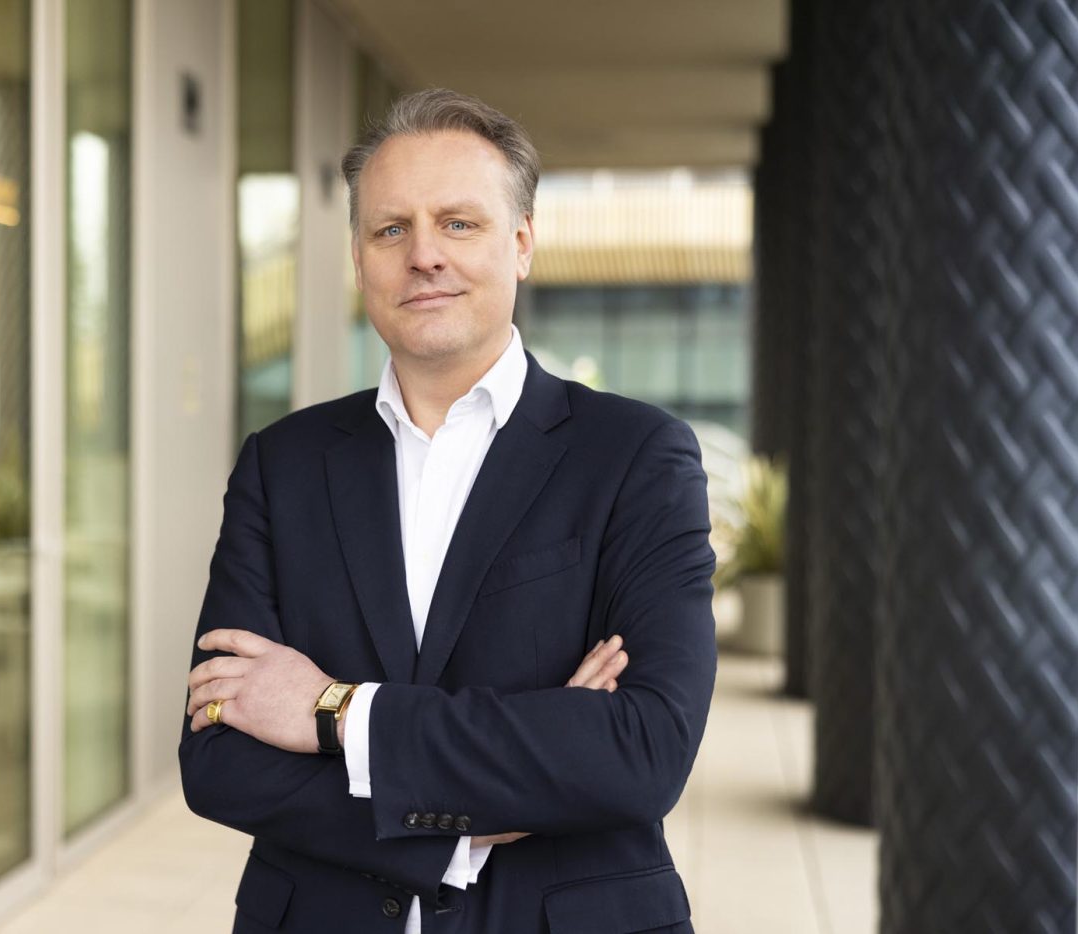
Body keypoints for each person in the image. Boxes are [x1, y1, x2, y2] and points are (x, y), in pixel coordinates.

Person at [180, 87, 716, 933]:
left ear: (522, 243)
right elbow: (217, 758)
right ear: (359, 258)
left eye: (458, 223)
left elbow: (643, 748)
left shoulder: (635, 456)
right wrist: (462, 825)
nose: (423, 254)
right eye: (390, 229)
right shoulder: (283, 464)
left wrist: (334, 711)